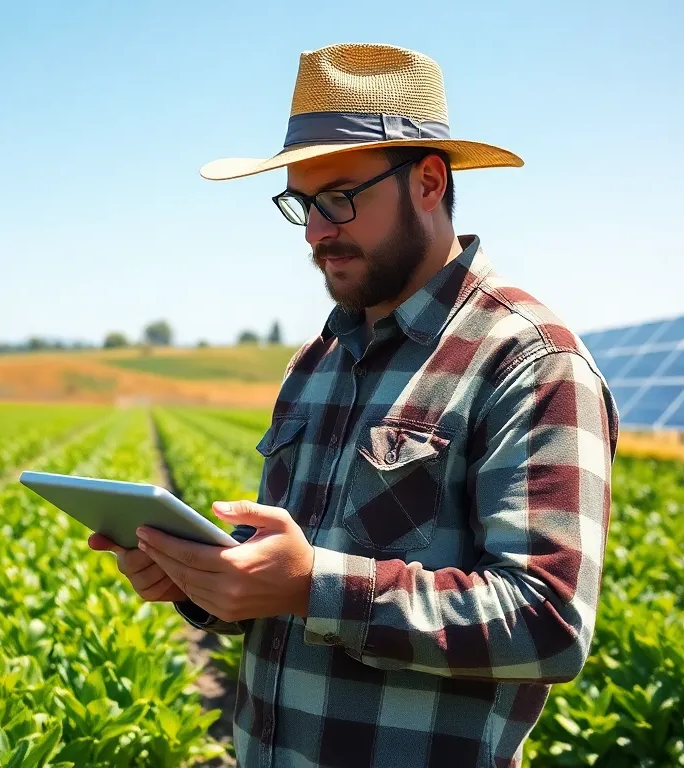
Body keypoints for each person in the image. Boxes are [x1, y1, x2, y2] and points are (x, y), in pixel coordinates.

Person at [88, 42, 618, 767]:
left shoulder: (528, 361)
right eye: (301, 204)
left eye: (339, 197)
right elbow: (286, 581)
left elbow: (549, 623)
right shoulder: (317, 361)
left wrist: (314, 586)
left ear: (428, 181)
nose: (315, 231)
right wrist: (205, 583)